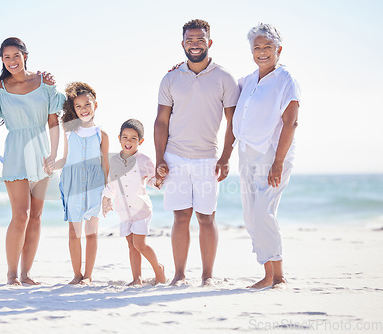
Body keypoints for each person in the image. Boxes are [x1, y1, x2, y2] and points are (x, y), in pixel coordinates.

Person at [154, 19, 240, 286]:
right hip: (175, 156)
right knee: (180, 216)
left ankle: (207, 276)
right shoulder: (170, 78)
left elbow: (233, 123)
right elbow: (161, 121)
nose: (194, 44)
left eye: (200, 40)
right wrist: (159, 159)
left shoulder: (224, 78)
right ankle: (179, 276)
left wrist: (225, 158)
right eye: (189, 40)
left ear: (209, 43)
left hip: (207, 158)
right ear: (182, 44)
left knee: (206, 217)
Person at [0, 37, 65, 286]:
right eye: (6, 57)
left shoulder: (45, 84)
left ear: (25, 55)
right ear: (1, 60)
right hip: (15, 151)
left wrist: (53, 155)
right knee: (20, 214)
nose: (12, 61)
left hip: (42, 151)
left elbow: (54, 122)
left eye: (16, 55)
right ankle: (12, 275)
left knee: (36, 215)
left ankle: (26, 274)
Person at [233, 23, 300, 289]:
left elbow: (290, 123)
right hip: (247, 153)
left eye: (267, 47)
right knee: (251, 215)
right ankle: (267, 274)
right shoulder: (248, 81)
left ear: (278, 50)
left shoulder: (286, 80)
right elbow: (221, 89)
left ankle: (279, 275)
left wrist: (278, 163)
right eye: (257, 47)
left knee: (264, 212)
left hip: (272, 155)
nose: (262, 52)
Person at [48, 82, 109, 285]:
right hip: (72, 185)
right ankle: (76, 274)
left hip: (95, 186)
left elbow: (105, 165)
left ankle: (88, 275)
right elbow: (65, 159)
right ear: (73, 109)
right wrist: (50, 165)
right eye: (78, 106)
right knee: (75, 233)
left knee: (92, 233)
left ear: (95, 105)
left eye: (87, 104)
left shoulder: (102, 134)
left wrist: (108, 193)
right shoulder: (68, 131)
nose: (83, 109)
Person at [102, 119, 167, 286]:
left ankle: (158, 269)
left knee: (140, 244)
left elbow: (153, 180)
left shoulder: (144, 160)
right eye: (125, 137)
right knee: (131, 246)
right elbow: (112, 182)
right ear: (119, 138)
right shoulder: (115, 160)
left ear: (140, 141)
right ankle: (137, 278)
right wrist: (106, 198)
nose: (128, 142)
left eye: (133, 138)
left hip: (141, 209)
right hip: (123, 211)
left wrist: (159, 180)